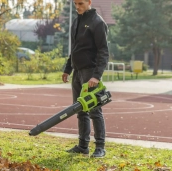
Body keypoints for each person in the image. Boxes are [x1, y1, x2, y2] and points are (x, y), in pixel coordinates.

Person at [62, 0, 109, 158]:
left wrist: (96, 76)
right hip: (77, 72)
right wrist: (67, 69)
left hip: (90, 73)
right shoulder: (76, 21)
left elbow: (103, 51)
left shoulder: (97, 22)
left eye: (80, 3)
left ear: (89, 2)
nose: (77, 7)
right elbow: (74, 49)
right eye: (75, 3)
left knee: (95, 111)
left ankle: (100, 147)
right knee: (80, 110)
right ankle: (83, 145)